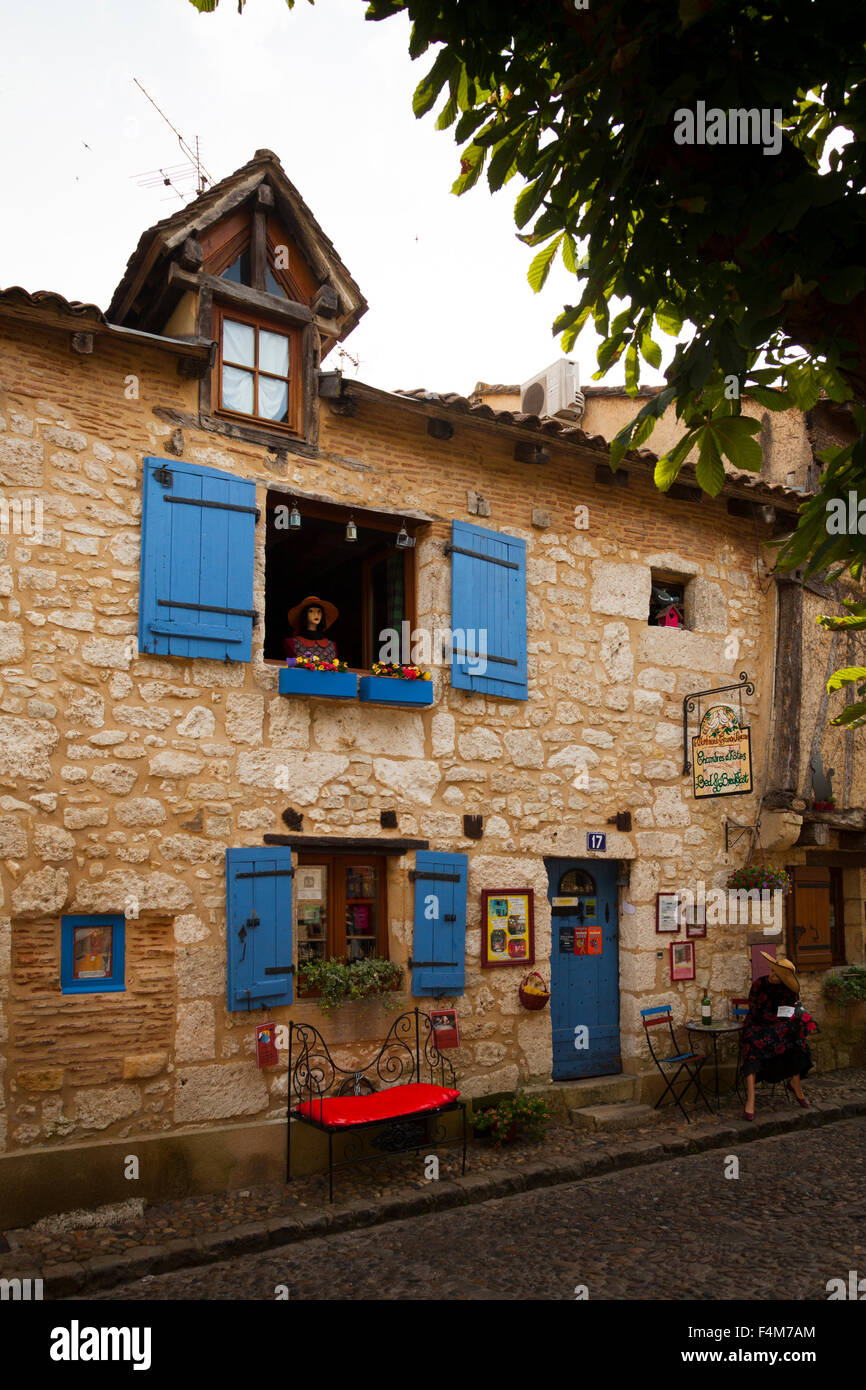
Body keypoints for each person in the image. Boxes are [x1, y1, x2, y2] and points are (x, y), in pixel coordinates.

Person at [741, 953, 813, 1120]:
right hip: (758, 1023)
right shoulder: (759, 984)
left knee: (796, 1037)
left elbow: (791, 1011)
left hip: (778, 1026)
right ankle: (751, 1098)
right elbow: (755, 1009)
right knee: (752, 1042)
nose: (772, 976)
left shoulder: (788, 990)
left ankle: (795, 1084)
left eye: (777, 975)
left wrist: (788, 1021)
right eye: (772, 971)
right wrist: (775, 1021)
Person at [284, 594, 339, 663]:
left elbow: (336, 671)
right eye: (311, 611)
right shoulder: (292, 643)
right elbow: (289, 667)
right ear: (305, 615)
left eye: (319, 611)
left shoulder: (332, 646)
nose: (316, 614)